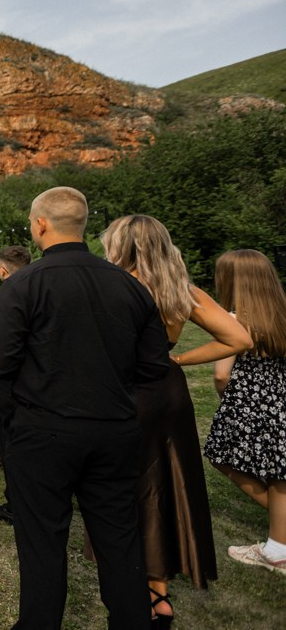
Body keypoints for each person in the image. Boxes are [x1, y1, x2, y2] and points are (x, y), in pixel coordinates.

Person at [0, 188, 172, 629]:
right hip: (114, 430)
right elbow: (153, 365)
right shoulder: (129, 285)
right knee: (119, 541)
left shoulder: (23, 284)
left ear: (40, 225)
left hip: (42, 431)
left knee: (42, 542)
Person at [100, 215, 252, 622]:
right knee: (166, 482)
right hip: (169, 390)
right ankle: (159, 592)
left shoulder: (115, 287)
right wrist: (179, 358)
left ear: (121, 246)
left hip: (130, 393)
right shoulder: (179, 288)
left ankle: (142, 593)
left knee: (131, 487)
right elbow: (239, 338)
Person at [204, 249, 286, 577]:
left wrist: (229, 401)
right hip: (281, 406)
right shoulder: (282, 315)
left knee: (220, 456)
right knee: (280, 473)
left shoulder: (235, 321)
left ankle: (277, 550)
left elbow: (222, 375)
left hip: (249, 408)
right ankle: (278, 543)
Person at [0, 244, 31, 525]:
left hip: (10, 385)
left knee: (11, 445)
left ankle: (16, 503)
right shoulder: (45, 294)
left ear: (2, 270)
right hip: (43, 382)